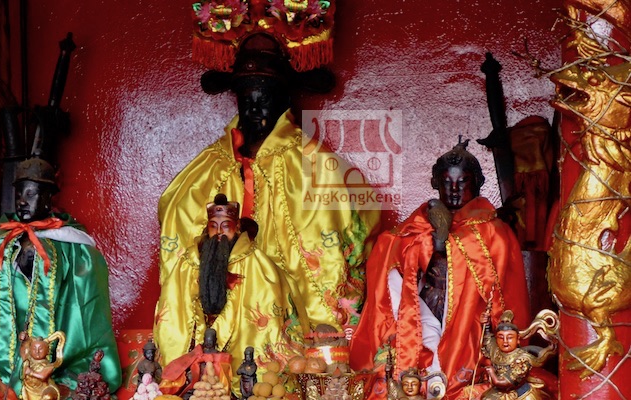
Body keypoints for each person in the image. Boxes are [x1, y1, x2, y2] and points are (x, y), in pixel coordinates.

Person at [158, 33, 380, 330]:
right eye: (246, 100)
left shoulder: (317, 166)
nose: (254, 110)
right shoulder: (207, 169)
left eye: (263, 99)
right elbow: (177, 222)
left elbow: (350, 223)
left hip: (291, 323)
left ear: (283, 101)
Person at [350, 141, 530, 399]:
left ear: (478, 183)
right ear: (435, 183)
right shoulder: (419, 225)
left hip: (469, 324)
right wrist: (430, 247)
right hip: (424, 313)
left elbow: (506, 294)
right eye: (446, 182)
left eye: (463, 182)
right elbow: (391, 250)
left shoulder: (494, 231)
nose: (454, 190)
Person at [0, 157, 121, 394]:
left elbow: (88, 308)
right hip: (5, 349)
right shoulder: (2, 243)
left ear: (48, 198)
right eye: (19, 193)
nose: (22, 201)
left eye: (31, 194)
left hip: (50, 354)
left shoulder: (74, 247)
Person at [155, 194, 307, 395]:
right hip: (198, 340)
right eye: (213, 226)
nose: (219, 232)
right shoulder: (189, 261)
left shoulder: (254, 261)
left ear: (237, 227)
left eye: (225, 226)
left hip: (237, 336)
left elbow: (263, 301)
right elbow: (175, 302)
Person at [479, 310, 550, 400]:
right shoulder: (495, 350)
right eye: (501, 337)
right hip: (499, 391)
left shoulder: (522, 359)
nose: (505, 342)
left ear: (517, 339)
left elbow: (505, 383)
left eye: (510, 337)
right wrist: (486, 325)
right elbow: (488, 339)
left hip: (520, 393)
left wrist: (491, 372)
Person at [159, 328, 233, 397]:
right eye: (207, 341)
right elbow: (187, 361)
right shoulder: (199, 352)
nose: (208, 343)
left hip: (214, 383)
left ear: (215, 340)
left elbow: (225, 373)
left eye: (210, 341)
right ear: (203, 339)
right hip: (198, 380)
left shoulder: (220, 355)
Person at [20, 332, 65, 400]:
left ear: (47, 351)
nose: (37, 351)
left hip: (44, 389)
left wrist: (30, 372)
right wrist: (25, 339)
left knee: (48, 397)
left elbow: (42, 376)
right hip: (30, 390)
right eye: (34, 349)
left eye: (40, 349)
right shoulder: (28, 360)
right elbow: (24, 350)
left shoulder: (49, 366)